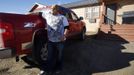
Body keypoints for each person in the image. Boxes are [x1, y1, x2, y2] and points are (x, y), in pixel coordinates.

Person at [38, 5, 69, 75]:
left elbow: (67, 28)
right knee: (49, 56)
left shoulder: (62, 17)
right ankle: (47, 70)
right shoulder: (47, 15)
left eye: (53, 9)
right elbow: (39, 13)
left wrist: (64, 36)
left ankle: (58, 68)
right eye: (51, 9)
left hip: (60, 41)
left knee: (59, 56)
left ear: (57, 10)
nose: (51, 11)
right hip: (50, 41)